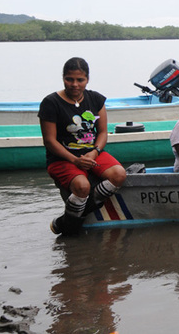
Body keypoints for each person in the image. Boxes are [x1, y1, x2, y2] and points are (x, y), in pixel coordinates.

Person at [39, 57, 126, 235]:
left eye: (80, 80)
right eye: (69, 79)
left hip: (92, 153)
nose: (75, 84)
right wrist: (75, 160)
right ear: (63, 78)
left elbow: (102, 133)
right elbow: (50, 141)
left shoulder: (95, 99)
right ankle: (71, 231)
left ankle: (65, 222)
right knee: (82, 186)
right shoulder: (51, 103)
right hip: (63, 157)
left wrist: (95, 152)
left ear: (87, 79)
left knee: (119, 175)